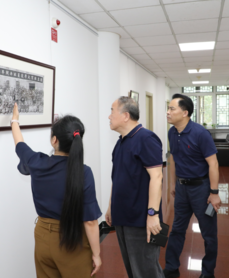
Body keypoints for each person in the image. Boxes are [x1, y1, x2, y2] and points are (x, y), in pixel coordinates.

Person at [11, 103, 102, 278]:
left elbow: (19, 144)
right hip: (72, 239)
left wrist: (14, 120)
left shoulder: (37, 162)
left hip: (43, 238)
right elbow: (90, 222)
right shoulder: (84, 172)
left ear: (54, 140)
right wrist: (96, 255)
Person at [105, 96, 164, 278]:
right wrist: (110, 207)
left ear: (125, 116)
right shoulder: (121, 141)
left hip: (141, 220)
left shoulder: (146, 138)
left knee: (146, 271)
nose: (109, 116)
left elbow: (157, 176)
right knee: (133, 270)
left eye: (112, 111)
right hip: (122, 216)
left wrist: (152, 215)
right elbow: (118, 177)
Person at [164, 94, 221, 278]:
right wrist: (174, 183)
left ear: (185, 112)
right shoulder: (172, 132)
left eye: (172, 109)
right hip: (182, 189)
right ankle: (171, 267)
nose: (168, 112)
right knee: (177, 230)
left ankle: (208, 272)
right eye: (168, 108)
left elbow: (213, 163)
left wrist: (214, 192)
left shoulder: (200, 133)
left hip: (201, 189)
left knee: (209, 234)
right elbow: (173, 158)